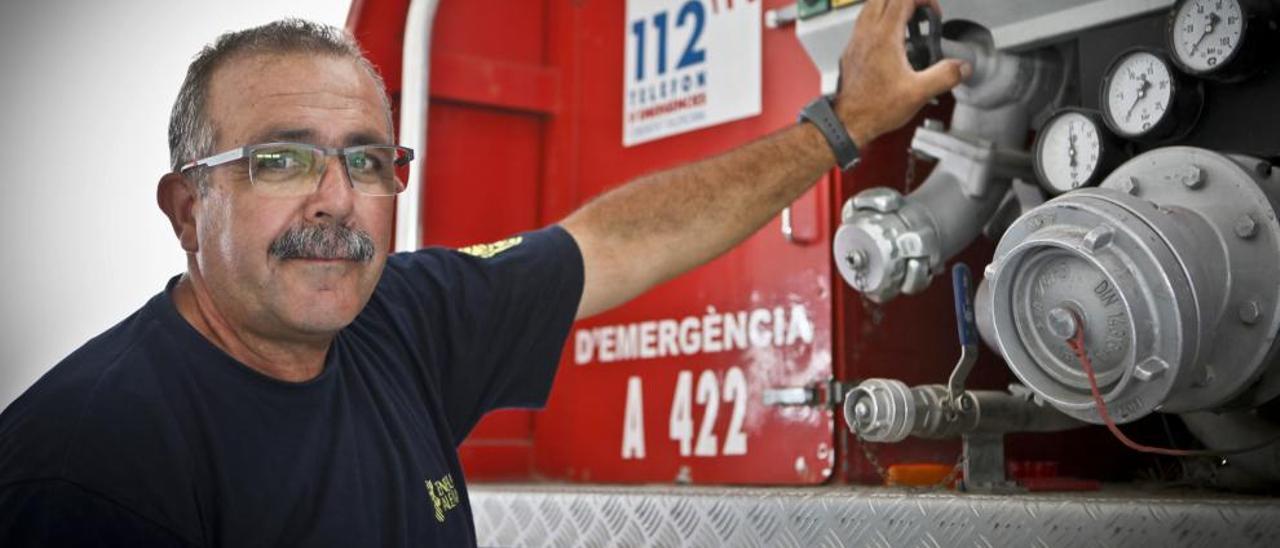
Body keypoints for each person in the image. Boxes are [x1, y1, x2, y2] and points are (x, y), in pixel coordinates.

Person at [0, 0, 967, 545]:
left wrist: (842, 125)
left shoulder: (402, 323)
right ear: (184, 209)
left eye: (369, 160)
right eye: (281, 161)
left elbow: (620, 238)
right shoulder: (89, 466)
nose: (336, 200)